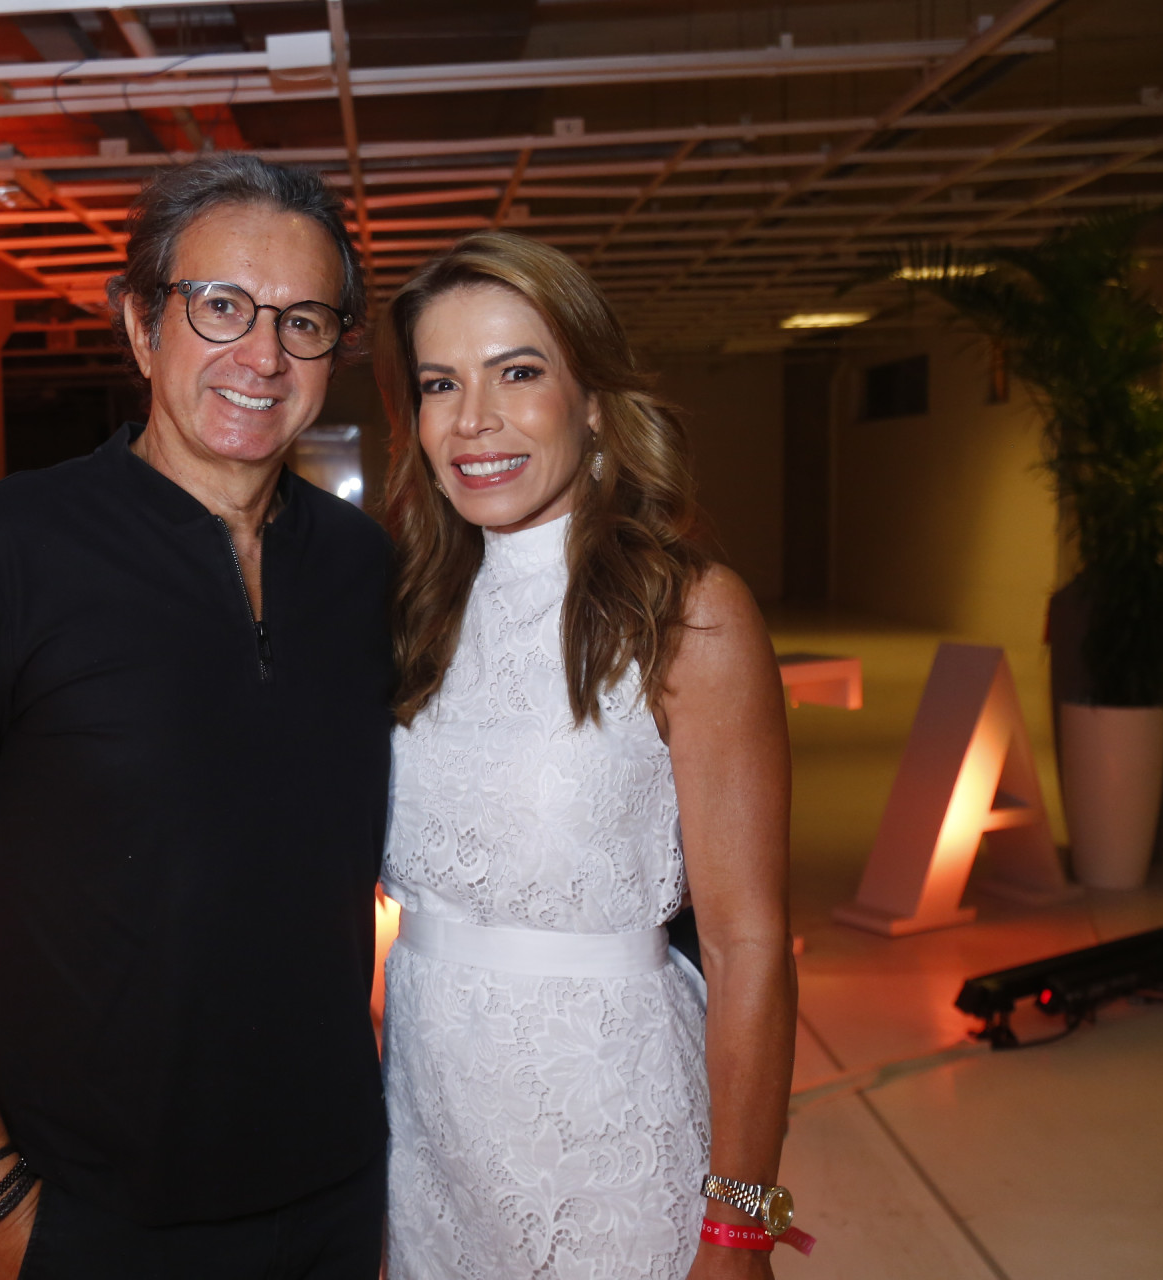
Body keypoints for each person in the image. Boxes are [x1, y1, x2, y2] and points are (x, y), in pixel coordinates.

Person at [0, 154, 392, 1280]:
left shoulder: (362, 567)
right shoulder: (4, 553)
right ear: (143, 326)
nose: (263, 355)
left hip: (337, 1190)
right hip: (91, 1214)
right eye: (221, 306)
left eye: (302, 321)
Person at [375, 232, 799, 1279]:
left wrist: (741, 1226)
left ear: (595, 400)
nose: (473, 419)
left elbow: (748, 943)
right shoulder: (410, 610)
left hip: (613, 1144)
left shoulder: (688, 613)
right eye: (441, 383)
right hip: (430, 1139)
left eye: (518, 372)